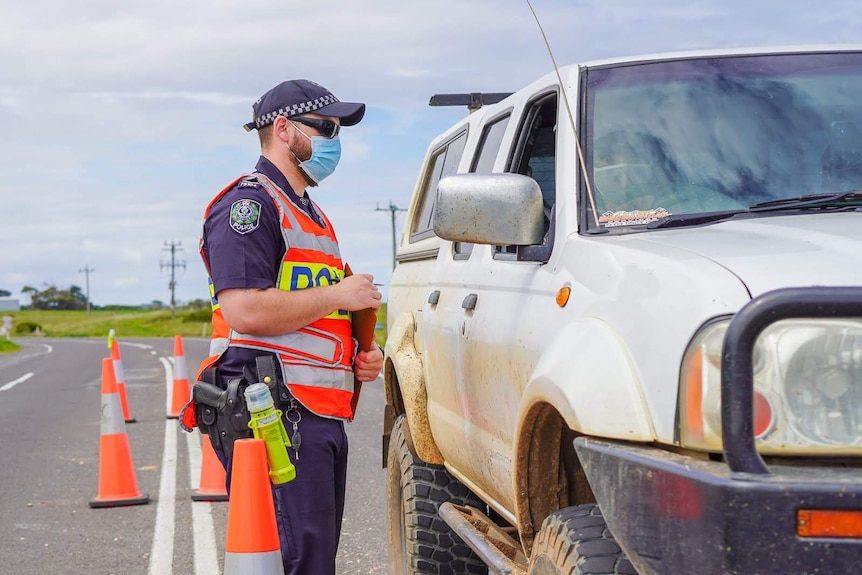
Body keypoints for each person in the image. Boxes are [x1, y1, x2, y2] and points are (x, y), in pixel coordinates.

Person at [185, 79, 383, 574]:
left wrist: (359, 354)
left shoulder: (312, 214)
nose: (335, 140)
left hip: (315, 413)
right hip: (272, 412)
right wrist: (341, 294)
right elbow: (245, 311)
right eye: (327, 127)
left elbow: (317, 311)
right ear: (283, 129)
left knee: (312, 559)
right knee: (295, 560)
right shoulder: (248, 208)